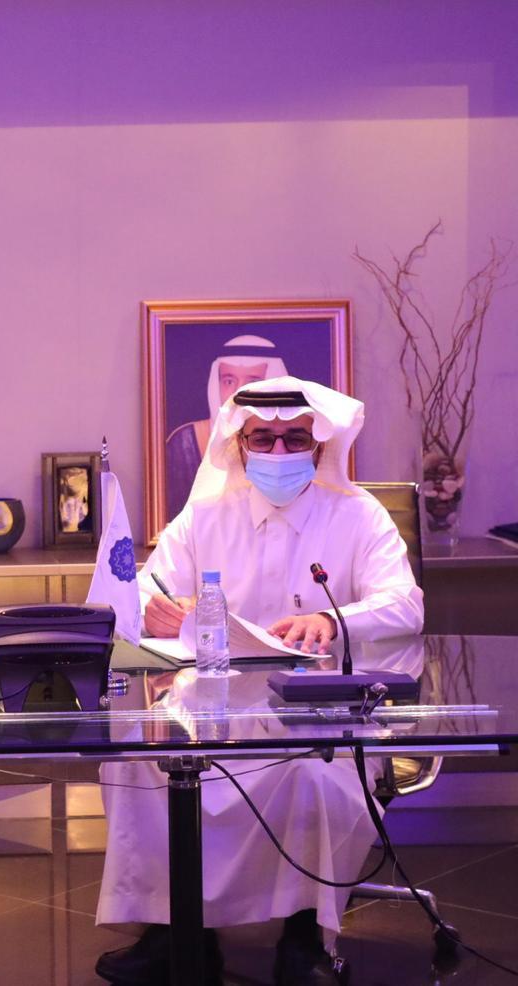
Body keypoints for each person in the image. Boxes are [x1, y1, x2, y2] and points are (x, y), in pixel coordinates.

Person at [96, 376, 424, 986]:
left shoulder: (357, 515)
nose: (278, 453)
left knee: (315, 775)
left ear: (319, 445)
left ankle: (305, 938)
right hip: (212, 705)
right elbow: (142, 589)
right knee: (139, 762)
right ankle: (176, 932)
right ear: (238, 445)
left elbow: (406, 605)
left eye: (294, 439)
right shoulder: (205, 515)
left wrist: (331, 620)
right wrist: (157, 607)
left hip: (321, 709)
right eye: (262, 439)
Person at [164, 335, 288, 520]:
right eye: (229, 381)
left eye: (252, 382)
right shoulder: (185, 442)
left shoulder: (291, 444)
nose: (239, 392)